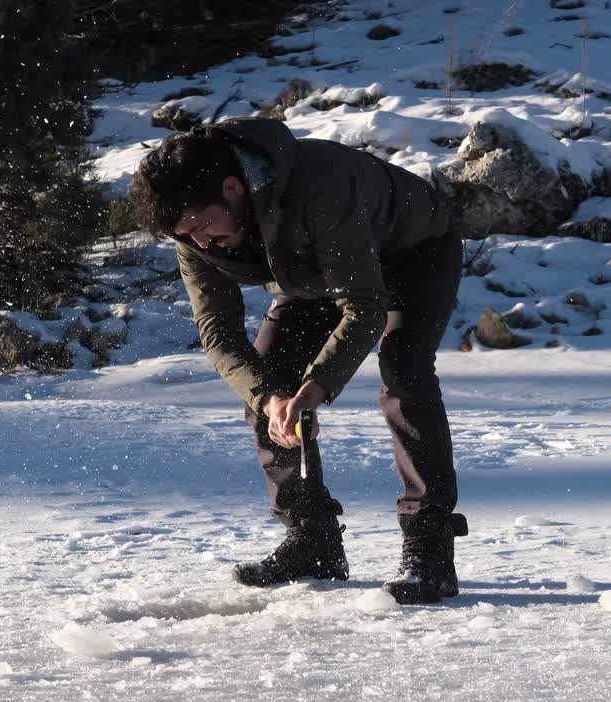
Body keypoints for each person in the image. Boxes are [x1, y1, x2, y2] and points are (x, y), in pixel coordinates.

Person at [129, 117, 467, 604]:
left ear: (233, 188)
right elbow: (217, 331)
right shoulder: (194, 231)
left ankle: (428, 545)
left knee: (404, 370)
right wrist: (269, 398)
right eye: (185, 236)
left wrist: (318, 385)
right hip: (311, 273)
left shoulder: (319, 182)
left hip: (412, 252)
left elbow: (366, 306)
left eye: (202, 226)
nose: (200, 243)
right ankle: (313, 540)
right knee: (266, 382)